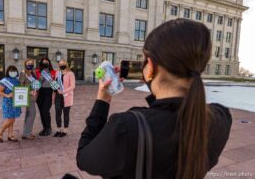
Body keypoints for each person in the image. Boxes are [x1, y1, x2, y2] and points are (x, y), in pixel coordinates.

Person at [76, 19, 232, 179]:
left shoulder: (126, 127)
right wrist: (155, 80)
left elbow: (83, 157)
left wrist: (103, 98)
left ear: (150, 66)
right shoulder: (221, 118)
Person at [0, 65, 21, 143]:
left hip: (15, 102)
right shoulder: (4, 80)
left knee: (12, 119)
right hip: (8, 102)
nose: (13, 73)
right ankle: (0, 132)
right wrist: (7, 95)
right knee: (11, 119)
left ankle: (10, 135)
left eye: (14, 71)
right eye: (11, 71)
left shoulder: (16, 80)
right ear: (8, 72)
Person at [54, 60, 76, 138]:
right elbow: (55, 83)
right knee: (57, 113)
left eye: (63, 64)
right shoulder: (57, 73)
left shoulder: (70, 73)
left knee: (66, 114)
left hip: (67, 96)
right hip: (58, 96)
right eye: (60, 64)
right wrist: (55, 88)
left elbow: (73, 86)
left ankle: (65, 130)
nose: (61, 65)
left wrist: (63, 91)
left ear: (66, 64)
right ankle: (58, 129)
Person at [36, 57, 56, 136]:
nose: (45, 64)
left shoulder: (53, 72)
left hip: (48, 92)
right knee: (41, 112)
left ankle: (49, 128)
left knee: (45, 111)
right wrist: (40, 78)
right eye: (43, 62)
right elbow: (36, 84)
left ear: (49, 63)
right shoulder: (37, 72)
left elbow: (55, 84)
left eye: (46, 62)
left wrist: (55, 94)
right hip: (40, 92)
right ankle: (44, 128)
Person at [19, 58, 38, 140]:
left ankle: (25, 132)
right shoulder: (23, 73)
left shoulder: (33, 73)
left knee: (28, 114)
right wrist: (29, 92)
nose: (30, 64)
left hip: (34, 97)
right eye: (28, 63)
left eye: (31, 63)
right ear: (25, 64)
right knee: (32, 114)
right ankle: (27, 133)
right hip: (28, 96)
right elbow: (21, 86)